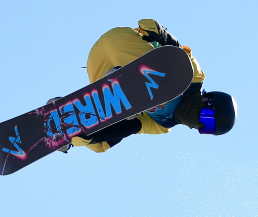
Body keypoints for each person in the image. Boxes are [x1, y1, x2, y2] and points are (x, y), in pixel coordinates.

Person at [64, 20, 237, 154]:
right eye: (207, 121)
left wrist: (92, 135)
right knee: (169, 83)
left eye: (206, 130)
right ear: (207, 100)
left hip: (97, 63)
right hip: (121, 45)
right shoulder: (194, 80)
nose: (199, 126)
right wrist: (161, 34)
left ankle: (70, 127)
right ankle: (125, 84)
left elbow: (128, 128)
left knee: (101, 146)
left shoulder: (163, 124)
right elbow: (179, 52)